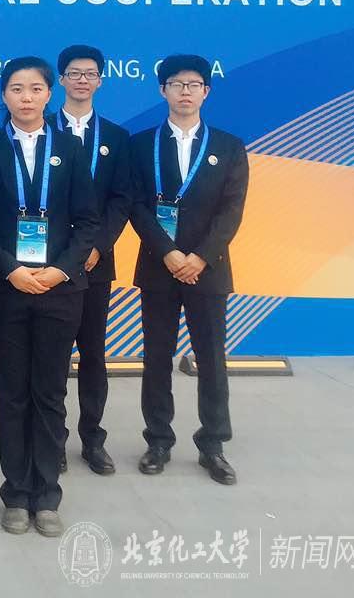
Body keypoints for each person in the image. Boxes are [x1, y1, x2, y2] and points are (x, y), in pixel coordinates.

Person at [0, 57, 98, 539]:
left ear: (49, 94)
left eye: (35, 88)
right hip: (7, 288)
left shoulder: (70, 147)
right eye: (17, 89)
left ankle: (47, 495)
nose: (26, 97)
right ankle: (16, 494)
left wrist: (61, 269)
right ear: (4, 95)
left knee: (49, 392)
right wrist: (12, 269)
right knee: (11, 392)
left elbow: (88, 221)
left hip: (60, 290)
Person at [128, 54, 248, 486]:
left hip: (207, 270)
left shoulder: (229, 146)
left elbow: (231, 211)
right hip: (159, 267)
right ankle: (158, 440)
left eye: (193, 84)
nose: (185, 91)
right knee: (157, 357)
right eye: (177, 84)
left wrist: (199, 257)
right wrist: (168, 253)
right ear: (163, 90)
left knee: (211, 359)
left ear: (206, 92)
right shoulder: (140, 145)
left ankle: (212, 444)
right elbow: (135, 205)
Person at [54, 44, 132, 476]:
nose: (82, 80)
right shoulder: (40, 129)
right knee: (52, 357)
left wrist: (98, 246)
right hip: (49, 266)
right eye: (74, 73)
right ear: (61, 80)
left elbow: (121, 199)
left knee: (93, 354)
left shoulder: (116, 138)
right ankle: (53, 439)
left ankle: (92, 438)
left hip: (95, 264)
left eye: (89, 73)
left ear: (100, 80)